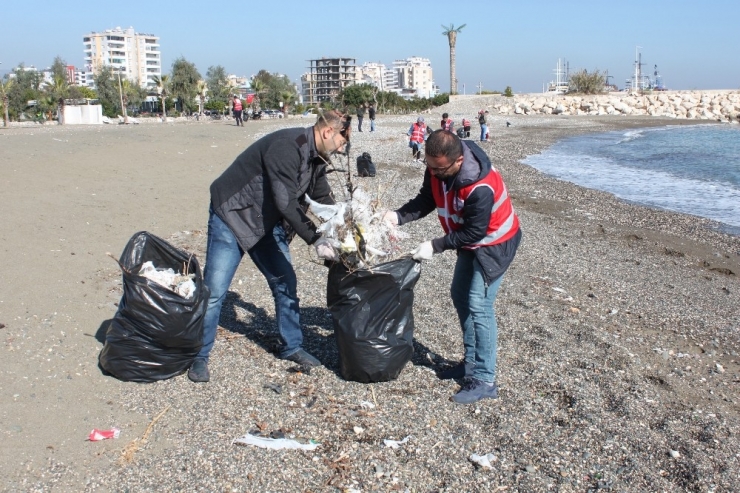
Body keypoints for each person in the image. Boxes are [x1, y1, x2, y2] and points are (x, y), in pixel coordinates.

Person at [188, 110, 351, 382]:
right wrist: (316, 239)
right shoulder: (287, 147)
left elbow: (321, 197)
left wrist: (346, 225)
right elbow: (285, 202)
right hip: (233, 215)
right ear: (327, 132)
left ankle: (292, 346)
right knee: (215, 290)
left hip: (266, 222)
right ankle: (198, 357)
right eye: (342, 140)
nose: (342, 147)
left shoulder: (318, 157)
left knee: (285, 282)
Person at [383, 130, 521, 404]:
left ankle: (484, 379)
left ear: (458, 161)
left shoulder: (479, 187)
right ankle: (470, 363)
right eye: (429, 166)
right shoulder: (437, 168)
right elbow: (427, 199)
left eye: (438, 168)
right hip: (470, 242)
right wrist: (397, 217)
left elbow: (475, 232)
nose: (432, 173)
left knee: (479, 306)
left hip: (494, 245)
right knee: (459, 296)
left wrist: (434, 246)